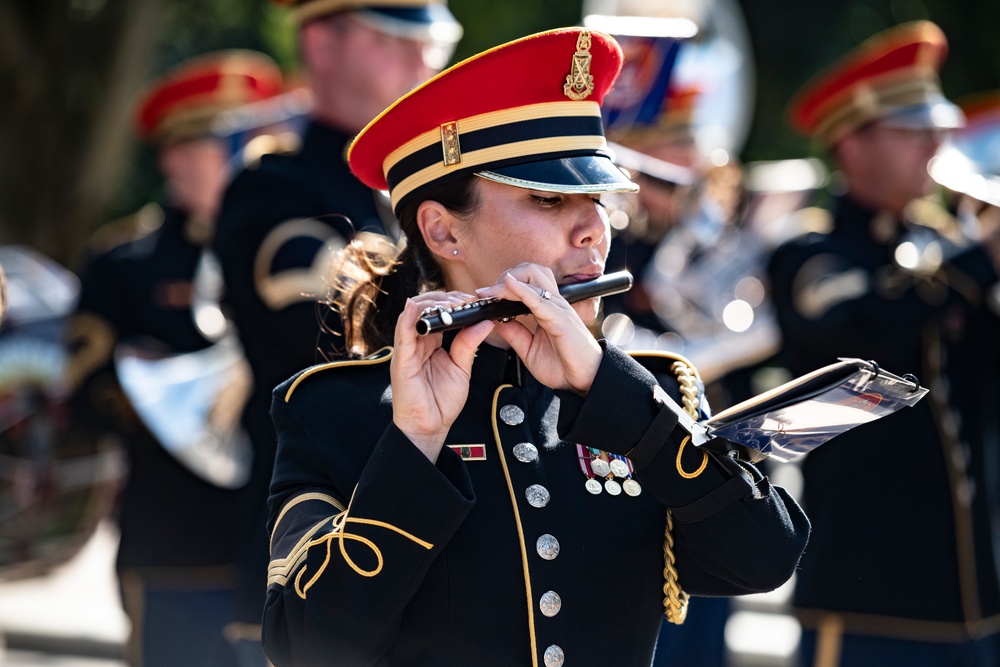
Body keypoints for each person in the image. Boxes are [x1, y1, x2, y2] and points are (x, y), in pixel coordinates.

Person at [261, 27, 810, 667]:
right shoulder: (332, 411)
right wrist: (412, 445)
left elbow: (764, 559)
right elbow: (303, 647)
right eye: (550, 199)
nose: (591, 230)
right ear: (442, 230)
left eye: (598, 199)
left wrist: (620, 401)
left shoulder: (645, 393)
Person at [211, 1, 462, 652]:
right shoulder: (274, 190)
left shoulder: (421, 193)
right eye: (392, 39)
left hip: (436, 549)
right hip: (313, 534)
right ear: (321, 44)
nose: (423, 59)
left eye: (434, 40)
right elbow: (345, 328)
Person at [768, 21, 1000, 666]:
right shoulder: (812, 252)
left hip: (976, 598)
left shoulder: (943, 246)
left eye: (936, 126)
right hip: (867, 595)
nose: (936, 144)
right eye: (911, 130)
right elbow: (866, 328)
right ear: (850, 141)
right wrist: (979, 260)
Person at [63, 51, 283, 666]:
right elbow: (88, 397)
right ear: (174, 158)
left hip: (277, 545)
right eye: (225, 143)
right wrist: (183, 404)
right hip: (176, 548)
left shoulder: (288, 250)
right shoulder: (123, 265)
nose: (247, 156)